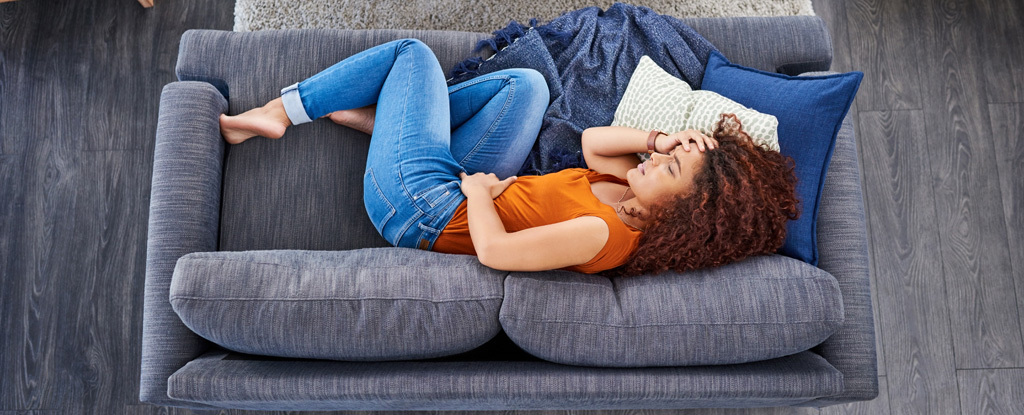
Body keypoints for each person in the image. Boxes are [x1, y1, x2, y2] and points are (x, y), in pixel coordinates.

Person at [219, 38, 800, 277]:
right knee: (526, 87)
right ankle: (390, 124)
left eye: (668, 172)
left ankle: (284, 112)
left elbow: (495, 253)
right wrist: (660, 142)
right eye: (665, 160)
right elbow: (595, 140)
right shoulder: (630, 194)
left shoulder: (604, 235)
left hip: (423, 208)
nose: (653, 165)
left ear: (685, 214)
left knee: (411, 54)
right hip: (456, 185)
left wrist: (476, 195)